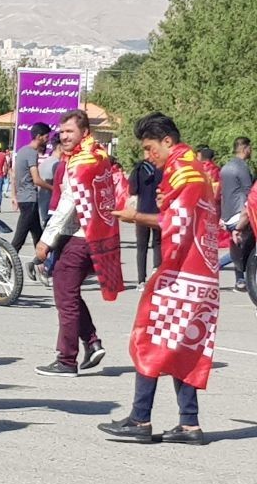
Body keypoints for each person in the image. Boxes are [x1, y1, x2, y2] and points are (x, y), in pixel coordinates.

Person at [100, 113, 219, 444]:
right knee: (182, 346)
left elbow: (176, 225)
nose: (148, 156)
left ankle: (140, 419)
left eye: (151, 148)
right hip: (203, 275)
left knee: (149, 338)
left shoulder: (184, 173)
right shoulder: (198, 170)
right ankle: (190, 424)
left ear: (168, 141)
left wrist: (134, 216)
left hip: (184, 275)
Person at [34, 109, 123, 376]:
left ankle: (66, 360)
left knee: (65, 297)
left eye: (70, 131)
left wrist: (45, 241)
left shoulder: (81, 163)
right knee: (71, 293)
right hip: (98, 234)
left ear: (85, 133)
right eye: (61, 132)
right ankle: (92, 342)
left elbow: (67, 206)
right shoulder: (99, 155)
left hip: (78, 236)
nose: (64, 136)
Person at [10, 122, 52, 252]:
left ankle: (42, 263)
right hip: (29, 199)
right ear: (39, 136)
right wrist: (53, 188)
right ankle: (6, 263)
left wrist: (14, 195)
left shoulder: (22, 151)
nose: (47, 139)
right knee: (19, 239)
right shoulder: (32, 153)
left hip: (24, 198)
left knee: (37, 234)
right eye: (46, 137)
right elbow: (37, 180)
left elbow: (14, 176)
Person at [220, 136, 253, 290]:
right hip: (240, 213)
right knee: (247, 248)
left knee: (236, 248)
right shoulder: (242, 168)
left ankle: (240, 281)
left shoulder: (225, 167)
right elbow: (249, 193)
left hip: (228, 213)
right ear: (245, 148)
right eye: (250, 148)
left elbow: (223, 193)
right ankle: (244, 279)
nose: (251, 151)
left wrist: (222, 216)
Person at [128, 149, 161, 290]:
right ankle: (156, 270)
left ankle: (141, 280)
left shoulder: (139, 168)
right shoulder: (162, 168)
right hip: (158, 211)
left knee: (141, 247)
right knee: (158, 243)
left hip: (141, 211)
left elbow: (132, 190)